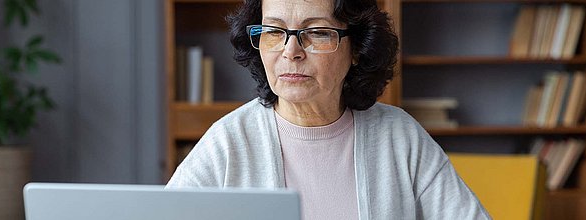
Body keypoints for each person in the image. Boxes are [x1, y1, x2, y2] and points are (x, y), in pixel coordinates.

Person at [167, 0, 491, 219]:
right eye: (274, 32)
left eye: (317, 33)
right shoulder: (227, 143)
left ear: (358, 49)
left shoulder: (399, 136)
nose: (290, 51)